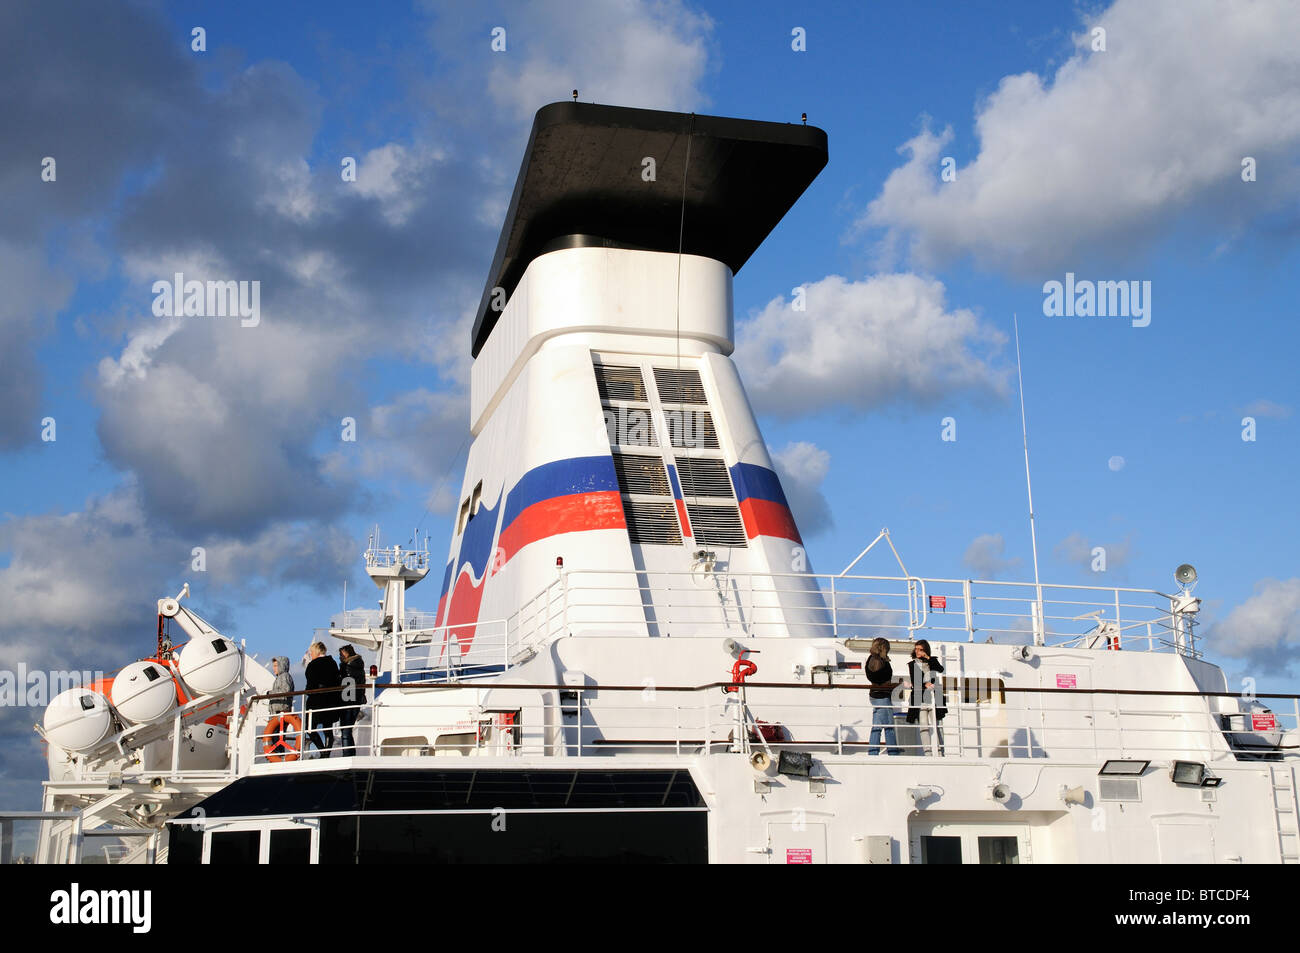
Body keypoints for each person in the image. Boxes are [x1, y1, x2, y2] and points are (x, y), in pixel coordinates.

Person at [906, 640, 946, 755]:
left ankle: (940, 752)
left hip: (934, 698)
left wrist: (928, 657)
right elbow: (914, 680)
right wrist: (925, 684)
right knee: (924, 727)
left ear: (925, 650)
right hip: (920, 698)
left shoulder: (931, 661)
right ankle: (928, 753)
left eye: (920, 649)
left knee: (937, 725)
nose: (917, 651)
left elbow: (940, 669)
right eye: (916, 649)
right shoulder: (912, 664)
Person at [304, 642, 342, 757]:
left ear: (316, 651)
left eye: (311, 652)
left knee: (309, 729)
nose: (310, 654)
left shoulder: (313, 665)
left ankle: (322, 751)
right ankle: (326, 752)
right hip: (331, 700)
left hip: (317, 701)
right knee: (327, 728)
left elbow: (310, 684)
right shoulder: (333, 663)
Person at [865, 637, 901, 755]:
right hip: (881, 696)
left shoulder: (872, 659)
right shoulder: (877, 660)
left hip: (876, 695)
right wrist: (896, 684)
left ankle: (873, 752)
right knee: (888, 726)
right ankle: (893, 753)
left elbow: (875, 677)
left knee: (877, 726)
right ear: (883, 647)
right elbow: (878, 677)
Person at [337, 645, 367, 756]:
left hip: (348, 700)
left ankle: (347, 754)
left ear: (347, 653)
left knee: (345, 729)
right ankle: (350, 752)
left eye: (341, 654)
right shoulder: (359, 665)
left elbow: (347, 684)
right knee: (348, 729)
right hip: (356, 700)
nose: (340, 656)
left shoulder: (347, 668)